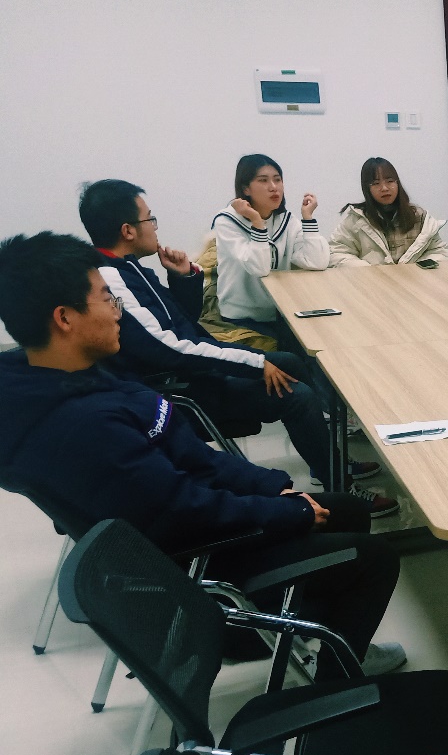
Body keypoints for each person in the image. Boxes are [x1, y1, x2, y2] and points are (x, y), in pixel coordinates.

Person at [0, 232, 406, 677]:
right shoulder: (84, 426)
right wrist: (289, 513)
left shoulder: (77, 375)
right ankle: (335, 684)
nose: (118, 312)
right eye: (106, 299)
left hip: (196, 527)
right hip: (198, 569)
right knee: (376, 558)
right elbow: (183, 511)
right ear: (65, 318)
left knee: (347, 511)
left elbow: (194, 460)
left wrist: (273, 489)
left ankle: (336, 643)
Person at [77, 179, 396, 516]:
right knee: (297, 396)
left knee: (290, 361)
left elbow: (183, 323)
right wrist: (254, 362)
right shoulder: (113, 279)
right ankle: (343, 489)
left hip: (192, 374)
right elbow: (169, 349)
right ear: (128, 230)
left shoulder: (129, 269)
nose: (155, 227)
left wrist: (183, 277)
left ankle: (330, 465)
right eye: (149, 219)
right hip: (179, 392)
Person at [212, 154, 330, 345]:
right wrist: (257, 222)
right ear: (246, 189)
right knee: (296, 355)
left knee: (323, 342)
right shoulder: (226, 222)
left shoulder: (286, 220)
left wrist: (308, 219)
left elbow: (317, 262)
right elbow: (259, 268)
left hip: (281, 312)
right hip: (242, 317)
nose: (274, 187)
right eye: (263, 180)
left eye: (277, 179)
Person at [329, 157, 448, 267]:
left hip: (414, 281)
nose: (384, 188)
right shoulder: (356, 220)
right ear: (367, 188)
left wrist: (416, 270)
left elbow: (440, 252)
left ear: (397, 183)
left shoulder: (418, 216)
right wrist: (367, 270)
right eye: (376, 183)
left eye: (390, 181)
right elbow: (337, 253)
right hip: (374, 281)